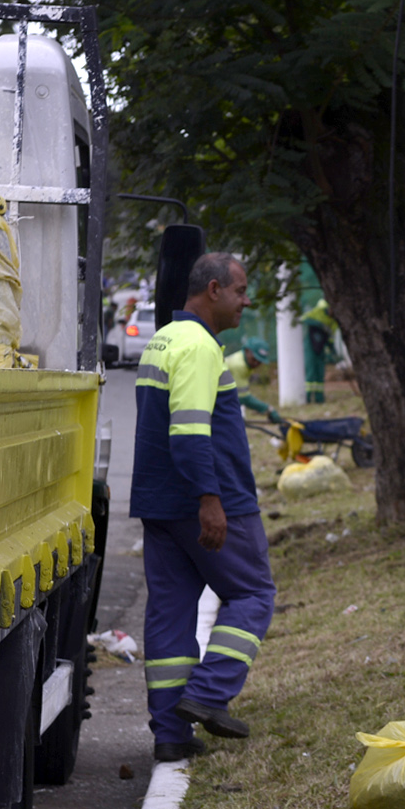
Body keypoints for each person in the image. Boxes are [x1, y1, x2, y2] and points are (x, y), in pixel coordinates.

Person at [131, 252, 276, 761]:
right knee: (253, 593)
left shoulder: (163, 339)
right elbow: (190, 431)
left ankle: (170, 735)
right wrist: (210, 500)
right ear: (213, 289)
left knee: (169, 613)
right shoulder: (197, 347)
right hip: (211, 502)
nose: (245, 301)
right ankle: (209, 694)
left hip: (161, 504)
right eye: (240, 291)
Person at [226, 338, 278, 420]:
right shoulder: (239, 366)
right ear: (247, 351)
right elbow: (243, 398)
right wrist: (268, 409)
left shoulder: (243, 360)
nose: (256, 363)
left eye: (259, 361)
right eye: (254, 359)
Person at [302, 299, 336, 403]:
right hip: (311, 345)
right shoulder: (318, 311)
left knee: (320, 373)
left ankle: (319, 398)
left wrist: (333, 350)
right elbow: (304, 319)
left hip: (321, 347)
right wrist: (320, 325)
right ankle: (307, 398)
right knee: (310, 373)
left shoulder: (334, 320)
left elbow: (331, 337)